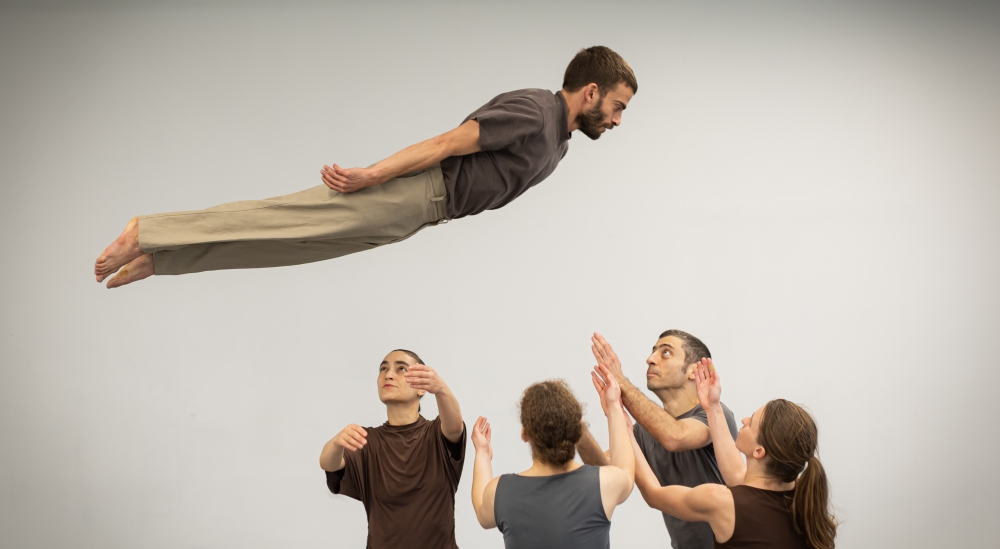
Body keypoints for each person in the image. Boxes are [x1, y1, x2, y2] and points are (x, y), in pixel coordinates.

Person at [94, 46, 637, 288]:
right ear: (590, 91)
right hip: (413, 191)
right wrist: (374, 176)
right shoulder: (534, 110)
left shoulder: (559, 143)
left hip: (425, 213)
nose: (616, 120)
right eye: (616, 106)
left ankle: (164, 259)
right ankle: (150, 230)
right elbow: (449, 141)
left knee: (292, 247)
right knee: (288, 217)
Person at [625, 358, 838, 549]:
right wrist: (712, 406)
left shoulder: (719, 501)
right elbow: (736, 475)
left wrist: (626, 431)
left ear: (759, 451)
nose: (744, 420)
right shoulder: (800, 491)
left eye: (752, 422)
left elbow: (654, 495)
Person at [577, 331, 739, 549]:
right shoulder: (643, 433)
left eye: (666, 352)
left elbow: (675, 436)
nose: (650, 359)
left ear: (694, 371)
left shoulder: (714, 414)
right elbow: (605, 471)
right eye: (653, 351)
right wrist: (576, 428)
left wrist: (621, 382)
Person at [469, 365, 634, 549]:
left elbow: (482, 511)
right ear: (574, 429)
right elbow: (625, 470)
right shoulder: (604, 483)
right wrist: (613, 406)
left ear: (524, 433)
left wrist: (482, 453)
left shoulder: (500, 491)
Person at [318, 350, 466, 549]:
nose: (388, 374)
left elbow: (455, 426)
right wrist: (336, 444)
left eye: (401, 368)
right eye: (383, 368)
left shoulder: (436, 435)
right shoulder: (366, 441)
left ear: (421, 387)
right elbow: (330, 464)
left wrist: (441, 390)